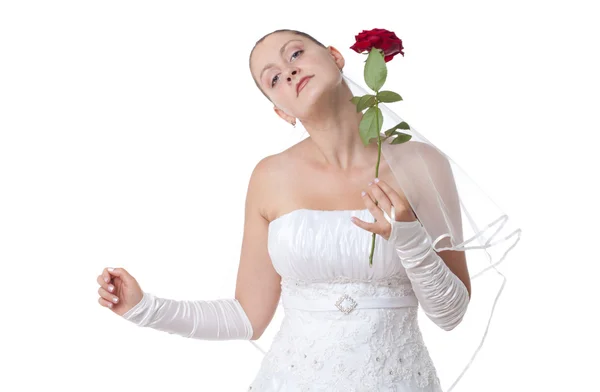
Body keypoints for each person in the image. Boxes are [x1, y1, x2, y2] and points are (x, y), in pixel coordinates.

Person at [96, 29, 483, 391]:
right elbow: (247, 316)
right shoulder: (270, 176)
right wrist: (144, 308)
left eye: (295, 53)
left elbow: (450, 315)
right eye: (274, 79)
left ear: (334, 57)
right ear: (282, 112)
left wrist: (409, 238)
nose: (290, 70)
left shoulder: (422, 163)